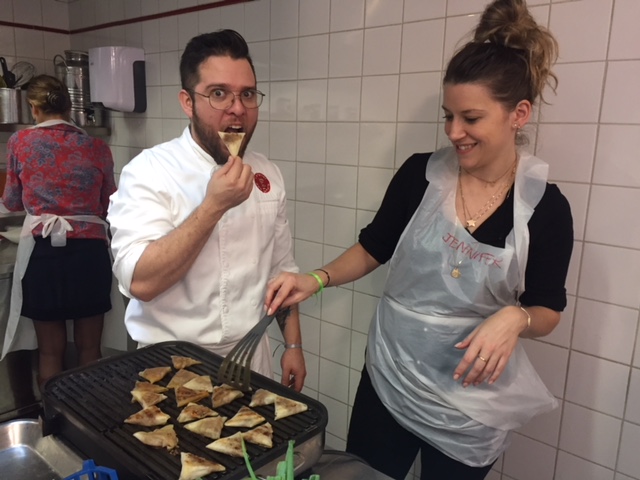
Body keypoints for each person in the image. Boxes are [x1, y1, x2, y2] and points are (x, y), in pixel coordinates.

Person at [265, 0, 573, 478]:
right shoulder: (419, 176)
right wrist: (317, 279)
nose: (454, 132)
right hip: (391, 378)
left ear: (519, 114)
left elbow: (547, 309)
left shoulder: (545, 209)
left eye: (470, 118)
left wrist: (516, 317)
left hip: (471, 404)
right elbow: (373, 249)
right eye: (449, 116)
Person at [107, 30, 306, 391]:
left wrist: (293, 344)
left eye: (247, 94)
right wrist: (213, 206)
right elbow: (140, 282)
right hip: (169, 365)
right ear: (188, 102)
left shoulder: (268, 175)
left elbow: (282, 270)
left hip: (250, 359)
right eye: (218, 94)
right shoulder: (151, 170)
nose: (237, 108)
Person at [0, 74, 116, 390]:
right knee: (90, 348)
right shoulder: (97, 147)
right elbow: (109, 203)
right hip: (89, 254)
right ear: (67, 107)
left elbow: (11, 201)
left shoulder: (19, 142)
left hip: (43, 254)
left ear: (34, 107)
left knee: (50, 350)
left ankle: (53, 419)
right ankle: (91, 418)